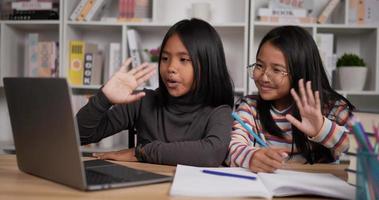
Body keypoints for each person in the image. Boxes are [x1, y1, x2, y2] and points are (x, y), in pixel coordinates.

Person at [76, 18, 234, 167]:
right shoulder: (143, 101)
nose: (170, 67)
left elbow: (211, 153)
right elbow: (79, 136)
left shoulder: (219, 110)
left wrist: (141, 153)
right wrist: (104, 98)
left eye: (183, 59)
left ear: (208, 65)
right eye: (165, 58)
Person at [226, 25, 354, 173]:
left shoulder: (332, 108)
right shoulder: (250, 107)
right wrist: (251, 157)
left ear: (300, 72)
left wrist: (321, 129)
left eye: (276, 70)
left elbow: (358, 148)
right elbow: (232, 148)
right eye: (260, 65)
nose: (263, 77)